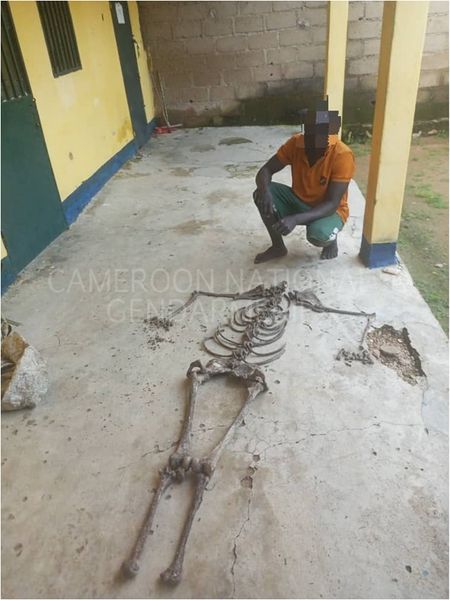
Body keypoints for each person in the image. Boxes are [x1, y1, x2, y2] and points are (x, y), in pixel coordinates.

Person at [253, 98, 355, 263]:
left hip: (330, 211)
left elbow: (332, 203)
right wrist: (265, 191)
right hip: (299, 200)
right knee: (260, 194)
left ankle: (330, 240)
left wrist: (295, 219)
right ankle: (278, 247)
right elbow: (265, 170)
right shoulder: (296, 143)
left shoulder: (342, 155)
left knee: (319, 235)